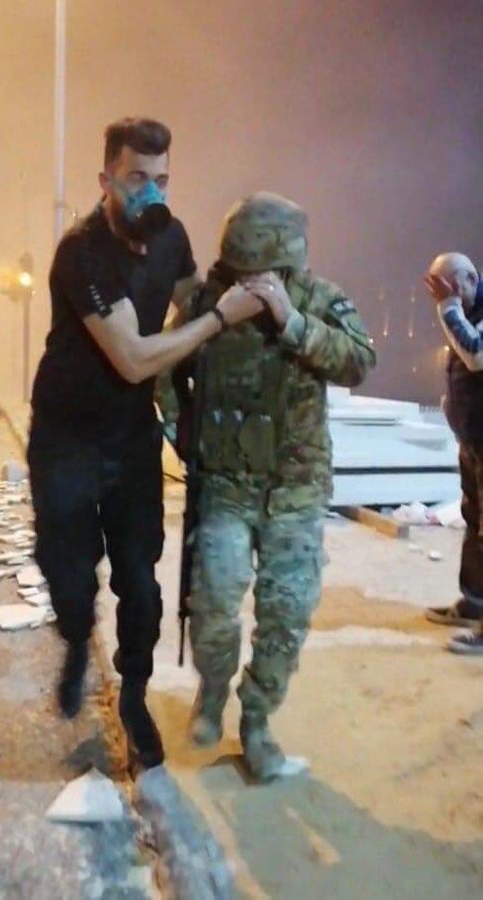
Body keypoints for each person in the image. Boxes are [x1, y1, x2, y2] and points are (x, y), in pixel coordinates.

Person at [27, 117, 265, 774]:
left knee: (141, 579)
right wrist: (219, 319)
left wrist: (242, 291)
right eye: (136, 179)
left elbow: (188, 296)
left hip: (132, 435)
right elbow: (133, 357)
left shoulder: (171, 235)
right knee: (70, 574)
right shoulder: (81, 251)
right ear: (105, 180)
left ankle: (133, 695)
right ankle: (76, 639)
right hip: (67, 436)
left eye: (161, 180)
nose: (150, 195)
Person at [160, 192, 376, 780]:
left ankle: (256, 720)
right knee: (213, 603)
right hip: (226, 486)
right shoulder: (207, 302)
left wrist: (293, 323)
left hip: (296, 490)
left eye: (262, 273)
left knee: (286, 612)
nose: (250, 283)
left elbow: (359, 361)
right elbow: (166, 368)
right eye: (241, 271)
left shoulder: (320, 299)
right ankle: (211, 691)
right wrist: (181, 431)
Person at [424, 251, 483, 655]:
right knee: (474, 523)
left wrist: (448, 307)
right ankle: (474, 603)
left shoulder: (462, 312)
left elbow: (476, 355)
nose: (443, 294)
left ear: (469, 279)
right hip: (474, 441)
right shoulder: (465, 311)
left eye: (447, 285)